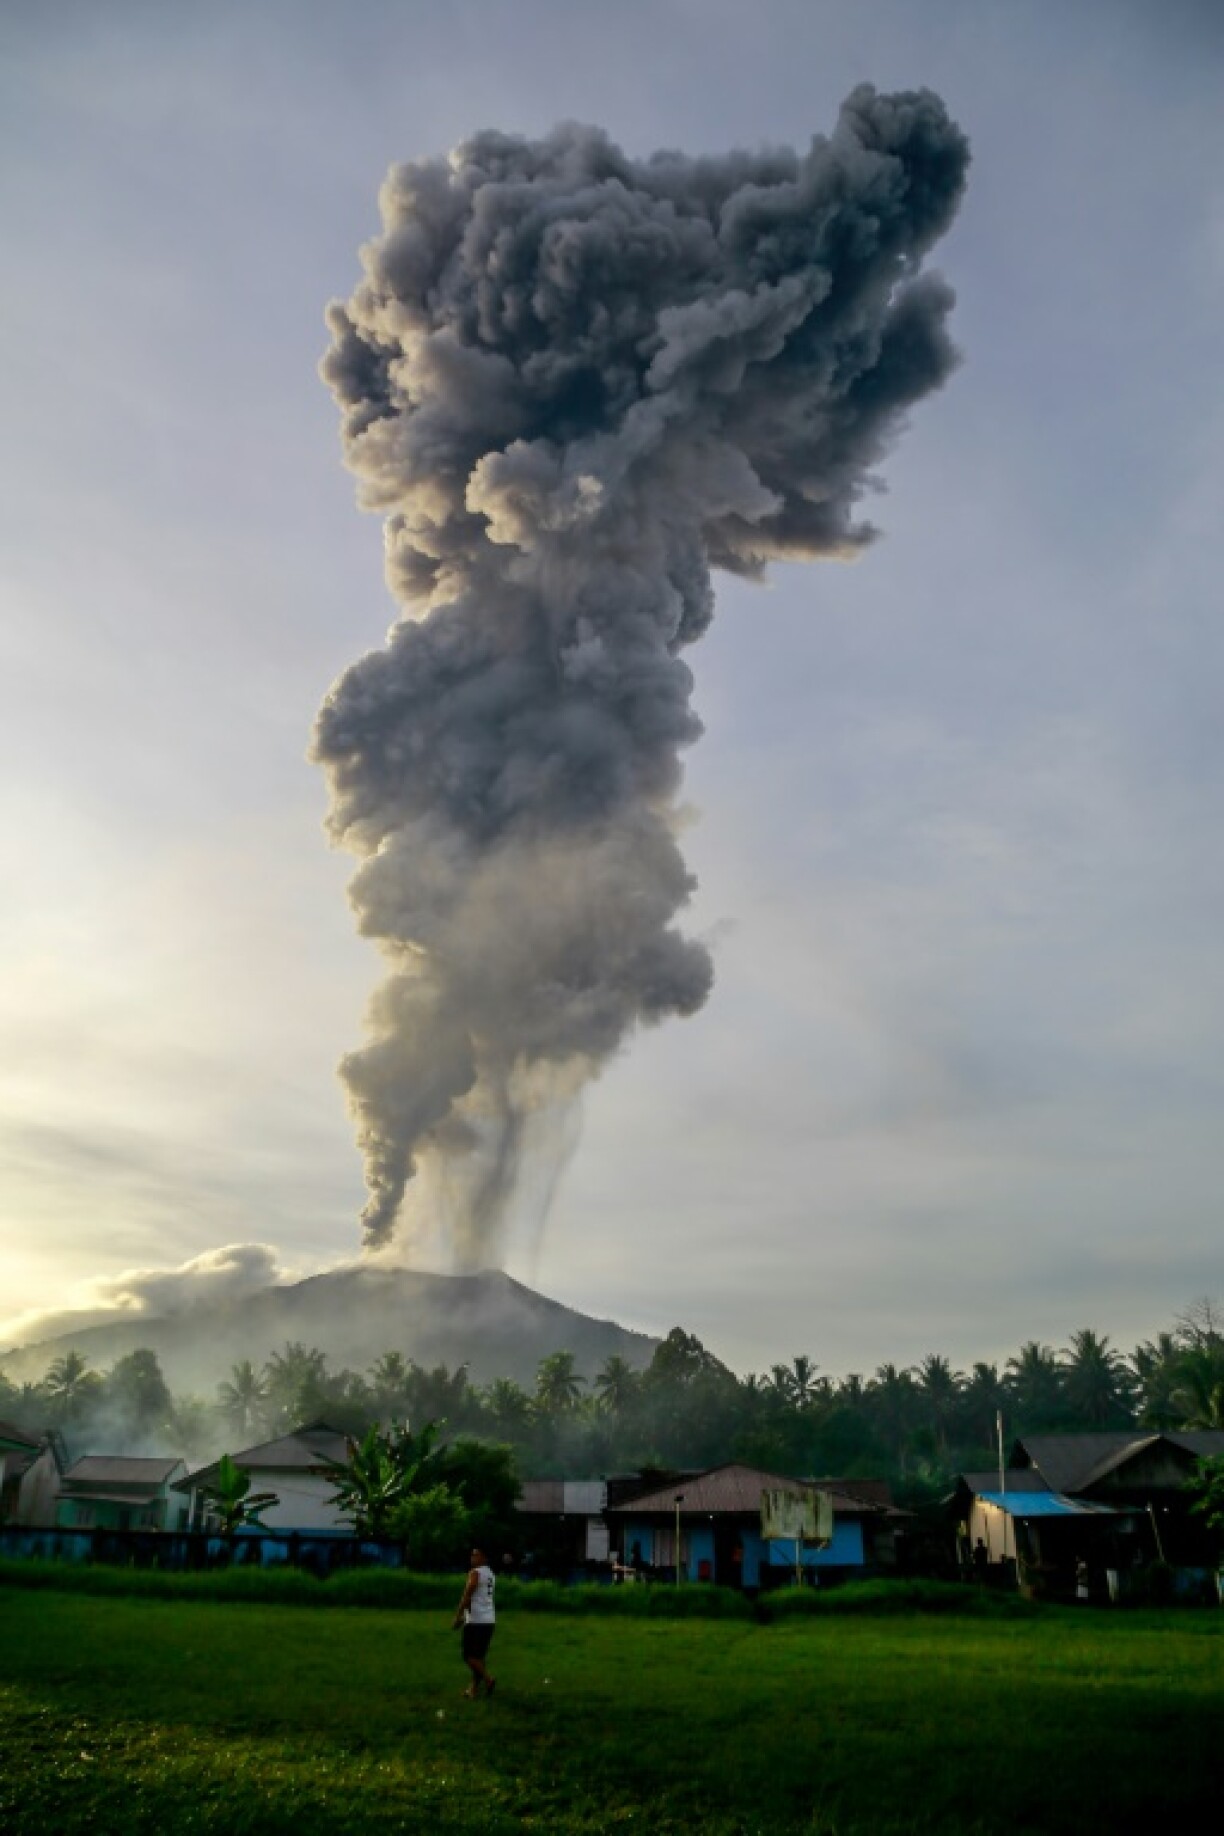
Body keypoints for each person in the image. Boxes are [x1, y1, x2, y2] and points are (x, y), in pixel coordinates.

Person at [452, 1544, 497, 1698]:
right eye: (472, 1555)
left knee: (469, 1656)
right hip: (489, 1619)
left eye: (476, 1555)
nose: (472, 1558)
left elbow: (467, 1596)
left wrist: (458, 1615)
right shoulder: (490, 1574)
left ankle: (488, 1679)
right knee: (479, 1657)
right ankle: (473, 1690)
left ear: (484, 1557)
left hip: (477, 1620)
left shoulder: (475, 1573)